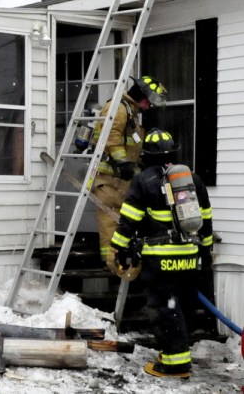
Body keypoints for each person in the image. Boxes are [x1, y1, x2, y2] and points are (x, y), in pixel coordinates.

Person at [107, 129, 213, 378]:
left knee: (164, 310)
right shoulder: (192, 180)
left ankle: (175, 365)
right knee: (180, 307)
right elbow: (206, 218)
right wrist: (205, 251)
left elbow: (129, 221)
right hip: (189, 256)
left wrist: (119, 249)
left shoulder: (144, 180)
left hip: (161, 259)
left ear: (146, 155)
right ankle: (174, 353)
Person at [91, 75, 167, 261]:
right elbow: (111, 137)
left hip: (121, 180)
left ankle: (120, 261)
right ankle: (110, 264)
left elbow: (130, 143)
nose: (149, 106)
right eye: (148, 102)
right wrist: (122, 162)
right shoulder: (118, 108)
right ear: (141, 96)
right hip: (109, 180)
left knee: (123, 220)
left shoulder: (129, 112)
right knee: (110, 221)